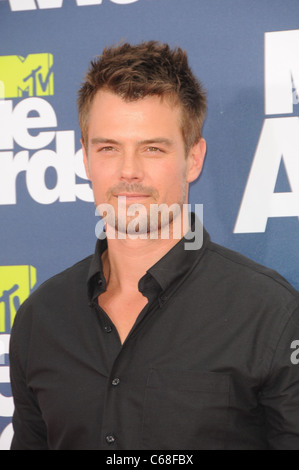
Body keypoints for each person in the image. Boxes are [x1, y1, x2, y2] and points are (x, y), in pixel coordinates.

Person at [9, 41, 299, 450]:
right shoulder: (40, 318)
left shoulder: (271, 314)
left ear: (193, 159)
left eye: (152, 148)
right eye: (108, 148)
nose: (129, 172)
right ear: (86, 160)